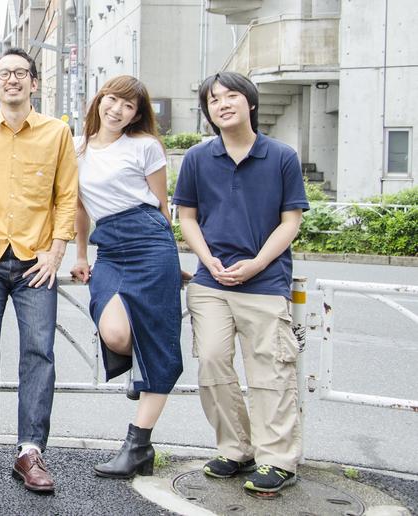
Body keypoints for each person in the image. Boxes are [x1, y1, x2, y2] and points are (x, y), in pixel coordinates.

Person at [174, 71, 308, 494]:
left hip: (265, 282)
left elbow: (291, 221)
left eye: (231, 96)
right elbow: (187, 216)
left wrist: (257, 264)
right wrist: (206, 259)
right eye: (213, 100)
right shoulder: (197, 158)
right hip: (210, 282)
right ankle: (235, 448)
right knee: (212, 363)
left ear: (250, 102)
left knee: (270, 371)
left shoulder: (281, 156)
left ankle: (277, 460)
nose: (222, 104)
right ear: (208, 111)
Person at [0, 47, 78, 493]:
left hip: (36, 261)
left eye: (20, 73)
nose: (12, 79)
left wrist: (57, 251)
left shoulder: (56, 132)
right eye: (4, 73)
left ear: (34, 82)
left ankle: (30, 451)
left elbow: (66, 195)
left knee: (39, 353)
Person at [68, 75, 184, 479]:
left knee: (159, 344)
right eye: (113, 99)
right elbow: (79, 207)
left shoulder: (145, 146)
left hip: (151, 243)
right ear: (99, 99)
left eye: (128, 106)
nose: (117, 110)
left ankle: (138, 446)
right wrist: (80, 255)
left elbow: (162, 207)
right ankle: (145, 365)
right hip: (111, 249)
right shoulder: (77, 147)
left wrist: (172, 260)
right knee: (115, 334)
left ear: (136, 115)